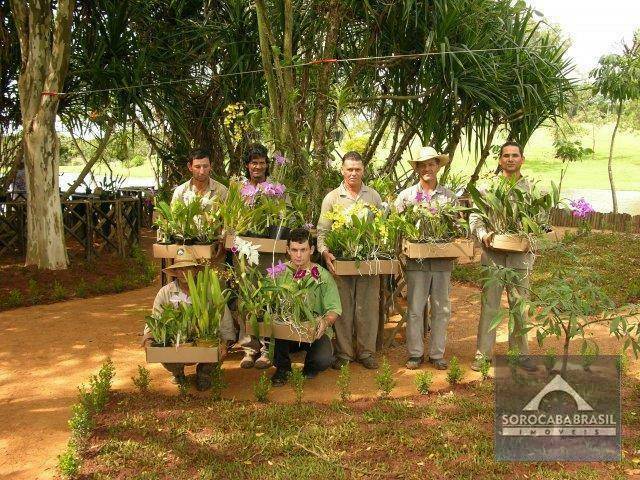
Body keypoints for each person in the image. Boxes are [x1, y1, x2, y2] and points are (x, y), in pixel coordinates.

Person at [469, 141, 536, 372]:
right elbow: (476, 217)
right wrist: (482, 233)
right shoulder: (488, 188)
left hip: (521, 257)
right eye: (506, 155)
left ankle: (519, 354)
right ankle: (482, 355)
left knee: (519, 306)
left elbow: (541, 221)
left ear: (522, 159)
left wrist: (534, 235)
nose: (510, 159)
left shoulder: (532, 189)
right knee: (490, 306)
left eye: (514, 155)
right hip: (494, 256)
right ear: (499, 160)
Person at [316, 151, 383, 370]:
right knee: (343, 308)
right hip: (341, 264)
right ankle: (344, 353)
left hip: (367, 264)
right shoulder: (332, 198)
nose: (353, 173)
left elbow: (382, 231)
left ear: (364, 171)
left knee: (367, 308)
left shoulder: (372, 196)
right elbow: (322, 233)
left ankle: (366, 353)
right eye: (349, 169)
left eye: (357, 169)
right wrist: (325, 253)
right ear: (342, 170)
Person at [395, 147, 457, 370]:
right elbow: (396, 227)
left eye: (431, 164)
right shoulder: (407, 197)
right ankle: (414, 354)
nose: (427, 168)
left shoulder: (449, 197)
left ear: (438, 166)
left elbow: (456, 229)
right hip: (416, 262)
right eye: (423, 165)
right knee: (414, 308)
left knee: (441, 309)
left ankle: (437, 354)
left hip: (442, 263)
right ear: (417, 169)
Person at [141, 249, 237, 390]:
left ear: (196, 270)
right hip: (177, 344)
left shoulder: (210, 291)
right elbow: (154, 322)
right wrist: (148, 340)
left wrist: (225, 343)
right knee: (160, 347)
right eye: (180, 269)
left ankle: (204, 372)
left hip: (204, 342)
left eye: (188, 268)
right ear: (175, 272)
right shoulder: (165, 293)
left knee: (218, 346)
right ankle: (177, 371)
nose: (184, 272)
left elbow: (225, 321)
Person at [271, 228, 341, 386]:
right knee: (274, 329)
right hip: (287, 330)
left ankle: (310, 365)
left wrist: (325, 322)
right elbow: (267, 300)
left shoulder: (322, 275)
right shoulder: (279, 272)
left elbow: (334, 309)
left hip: (313, 330)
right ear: (288, 250)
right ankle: (283, 368)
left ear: (312, 250)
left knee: (323, 359)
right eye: (294, 250)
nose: (298, 255)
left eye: (303, 250)